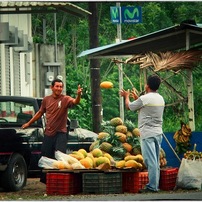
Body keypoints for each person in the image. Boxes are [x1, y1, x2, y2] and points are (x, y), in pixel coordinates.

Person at [22, 78, 83, 183]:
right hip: (49, 133)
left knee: (60, 157)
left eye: (61, 87)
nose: (59, 89)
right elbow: (40, 112)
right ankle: (46, 181)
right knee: (45, 156)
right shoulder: (46, 99)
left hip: (61, 133)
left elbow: (75, 102)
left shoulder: (65, 99)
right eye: (57, 86)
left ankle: (60, 180)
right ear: (52, 87)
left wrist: (78, 95)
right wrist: (29, 123)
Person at [120, 75, 165, 193]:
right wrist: (138, 98)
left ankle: (152, 187)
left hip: (147, 133)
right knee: (155, 160)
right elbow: (145, 107)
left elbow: (129, 106)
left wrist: (126, 97)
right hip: (158, 133)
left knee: (150, 161)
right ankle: (155, 184)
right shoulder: (160, 98)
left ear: (147, 85)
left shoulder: (145, 99)